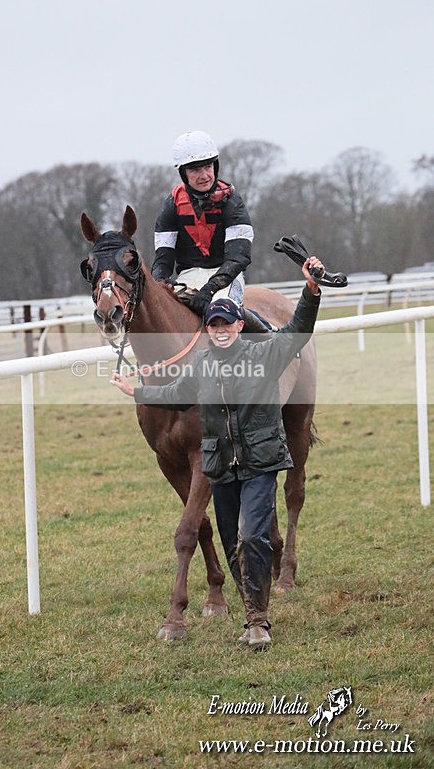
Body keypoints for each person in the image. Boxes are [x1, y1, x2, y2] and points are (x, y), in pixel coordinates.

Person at [111, 256, 324, 649]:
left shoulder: (265, 354)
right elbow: (175, 396)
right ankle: (251, 610)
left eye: (227, 324)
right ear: (207, 330)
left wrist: (310, 291)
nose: (221, 331)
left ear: (240, 325)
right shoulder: (202, 364)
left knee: (252, 536)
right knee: (232, 546)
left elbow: (296, 331)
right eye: (214, 325)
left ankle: (258, 622)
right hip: (222, 467)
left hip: (259, 464)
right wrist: (135, 391)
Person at [152, 130, 268, 333]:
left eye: (208, 167)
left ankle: (269, 336)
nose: (204, 176)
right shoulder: (172, 204)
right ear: (183, 173)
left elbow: (238, 258)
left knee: (221, 312)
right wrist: (159, 283)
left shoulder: (232, 200)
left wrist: (209, 290)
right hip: (188, 276)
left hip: (228, 277)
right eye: (195, 170)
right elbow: (163, 259)